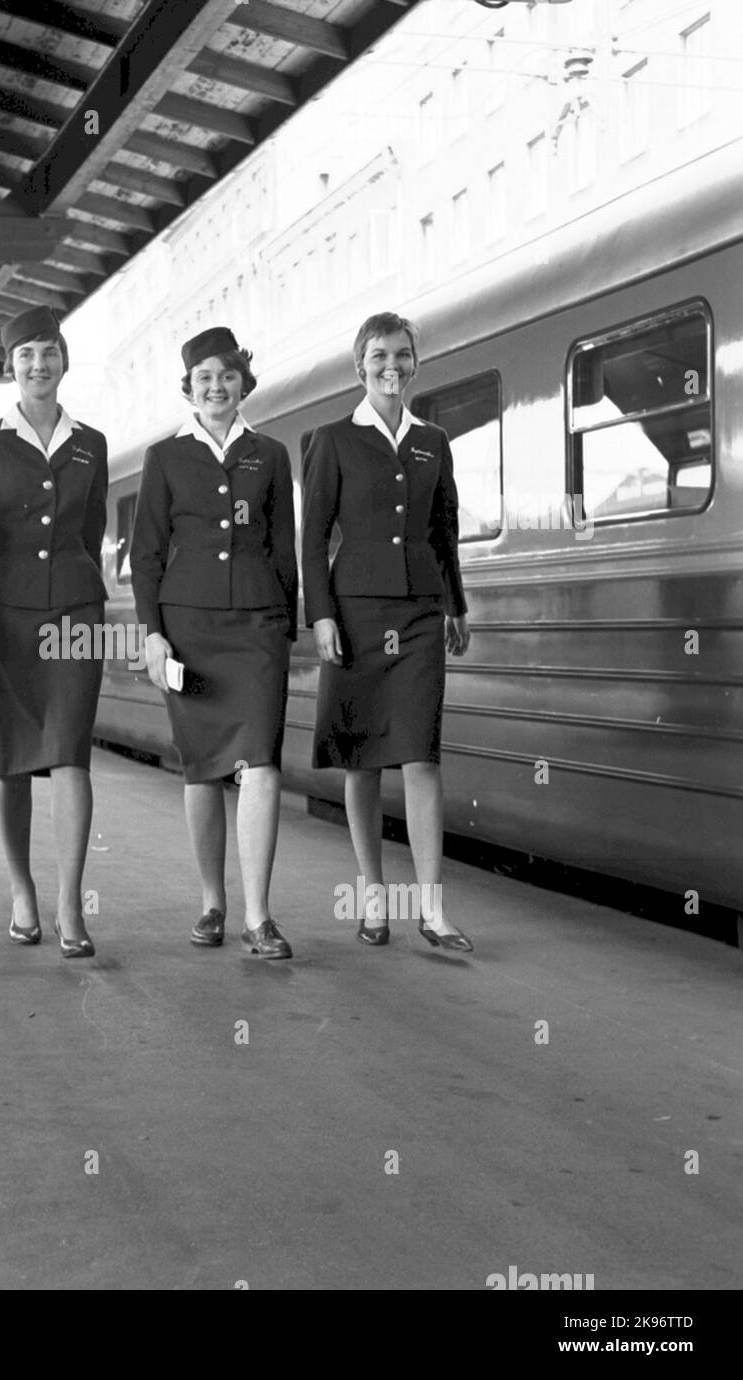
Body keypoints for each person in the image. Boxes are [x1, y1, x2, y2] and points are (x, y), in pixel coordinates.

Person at [301, 311, 473, 952]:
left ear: (415, 363)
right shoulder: (333, 439)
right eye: (379, 356)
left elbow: (444, 531)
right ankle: (374, 896)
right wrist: (321, 614)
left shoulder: (434, 440)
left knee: (422, 754)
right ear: (360, 365)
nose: (391, 367)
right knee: (363, 759)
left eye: (402, 355)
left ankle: (431, 908)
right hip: (356, 614)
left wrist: (456, 604)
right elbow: (312, 538)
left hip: (423, 614)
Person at [131, 326, 298, 960]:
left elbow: (284, 547)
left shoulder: (271, 454)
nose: (216, 386)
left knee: (260, 762)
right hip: (189, 627)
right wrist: (152, 634)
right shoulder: (165, 457)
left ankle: (259, 915)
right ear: (189, 388)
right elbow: (146, 556)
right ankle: (212, 903)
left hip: (257, 627)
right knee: (202, 768)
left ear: (242, 382)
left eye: (227, 375)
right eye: (204, 377)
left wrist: (287, 626)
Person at [0, 306, 108, 959]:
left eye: (48, 351)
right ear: (11, 366)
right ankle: (22, 892)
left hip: (76, 611)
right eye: (25, 354)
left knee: (71, 751)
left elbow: (91, 529)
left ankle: (70, 905)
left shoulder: (91, 443)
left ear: (64, 359)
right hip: (7, 611)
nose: (38, 364)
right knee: (12, 759)